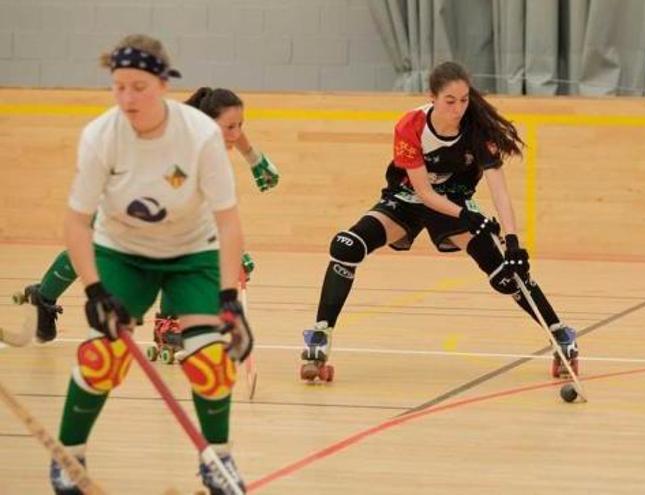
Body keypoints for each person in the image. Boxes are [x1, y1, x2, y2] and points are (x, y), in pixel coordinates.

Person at [51, 35, 250, 494]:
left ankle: (217, 461)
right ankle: (69, 457)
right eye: (118, 87)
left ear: (162, 83)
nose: (126, 98)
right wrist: (95, 290)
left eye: (138, 86)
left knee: (212, 362)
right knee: (103, 356)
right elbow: (76, 222)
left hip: (192, 253)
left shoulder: (200, 135)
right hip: (123, 253)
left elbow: (228, 219)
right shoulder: (101, 135)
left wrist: (228, 299)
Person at [299, 61, 579, 382]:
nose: (459, 109)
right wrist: (468, 217)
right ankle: (320, 334)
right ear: (432, 96)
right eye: (450, 101)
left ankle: (560, 334)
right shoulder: (410, 125)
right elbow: (423, 192)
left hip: (455, 201)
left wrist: (513, 242)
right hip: (409, 199)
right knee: (347, 246)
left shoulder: (478, 130)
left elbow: (499, 191)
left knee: (505, 270)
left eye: (464, 100)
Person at [11, 87, 279, 350]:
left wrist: (253, 158)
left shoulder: (209, 134)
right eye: (230, 127)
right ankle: (43, 297)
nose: (237, 133)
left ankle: (168, 322)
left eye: (239, 126)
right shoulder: (181, 150)